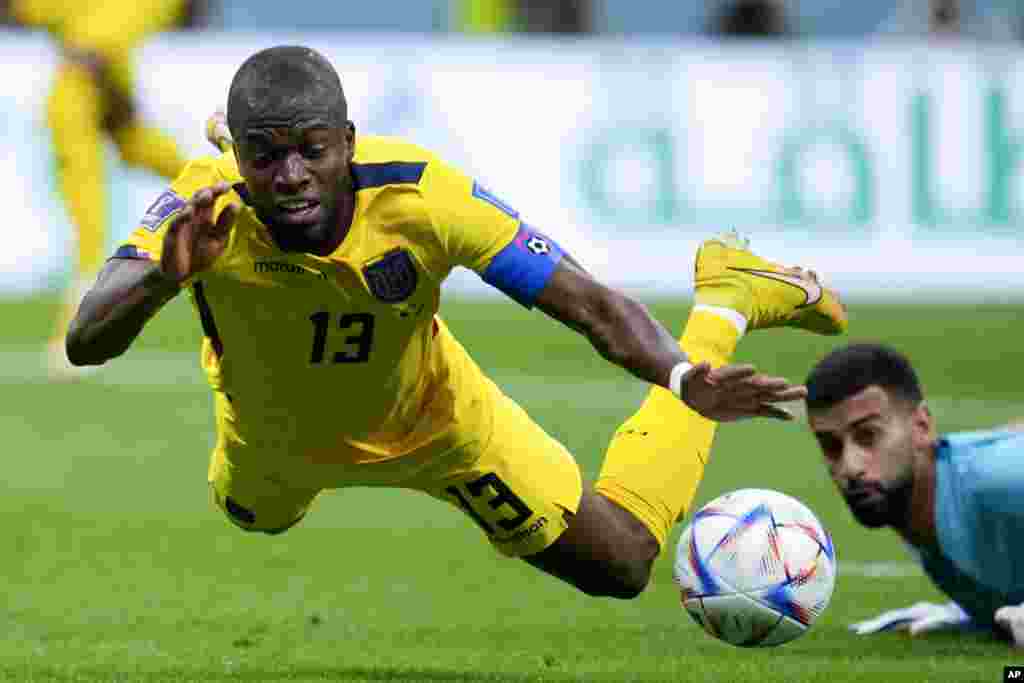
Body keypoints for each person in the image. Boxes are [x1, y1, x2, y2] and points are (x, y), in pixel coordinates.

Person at [66, 45, 847, 599]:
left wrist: (683, 373)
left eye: (312, 149)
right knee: (254, 516)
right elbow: (86, 338)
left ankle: (726, 301)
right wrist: (165, 279)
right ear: (236, 153)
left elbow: (584, 301)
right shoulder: (204, 205)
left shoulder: (423, 197)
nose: (291, 175)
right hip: (274, 448)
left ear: (347, 141)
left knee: (622, 566)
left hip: (437, 422)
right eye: (266, 156)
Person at [5, 0, 205, 378]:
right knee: (125, 157)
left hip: (87, 81)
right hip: (86, 82)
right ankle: (219, 184)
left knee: (93, 210)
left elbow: (80, 46)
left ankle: (82, 329)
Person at [804, 343, 1024, 643]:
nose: (850, 467)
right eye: (831, 446)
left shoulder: (994, 481)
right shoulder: (913, 502)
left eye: (868, 436)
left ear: (922, 426)